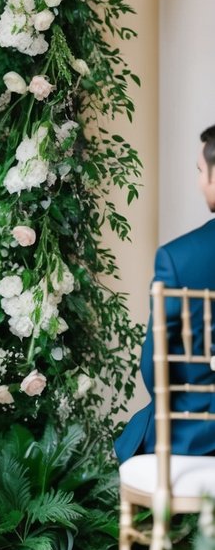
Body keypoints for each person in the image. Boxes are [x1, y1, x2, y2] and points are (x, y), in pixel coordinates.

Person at [115, 124, 215, 461]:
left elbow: (153, 363)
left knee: (138, 436)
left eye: (202, 171)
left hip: (196, 434)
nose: (200, 181)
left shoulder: (178, 257)